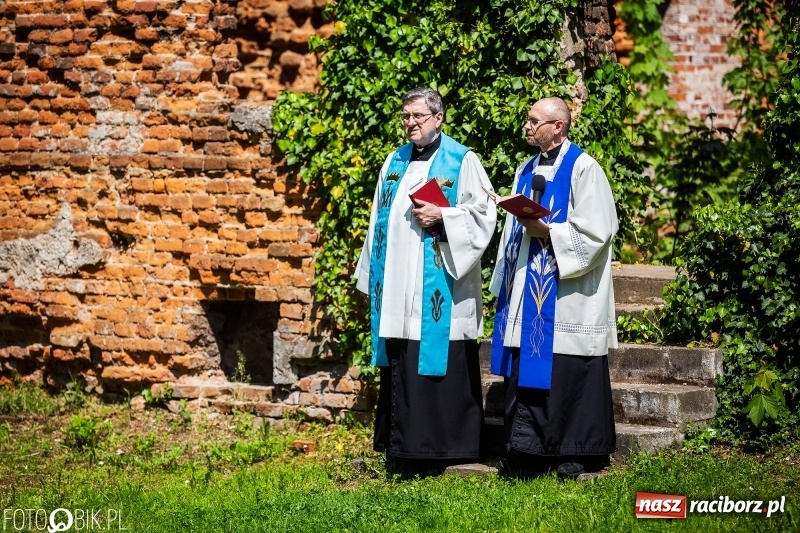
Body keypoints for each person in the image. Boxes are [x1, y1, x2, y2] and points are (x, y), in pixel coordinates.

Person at [354, 88, 497, 466]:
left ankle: (445, 448)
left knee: (437, 358)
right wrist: (371, 275)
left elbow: (485, 215)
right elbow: (376, 221)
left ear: (438, 118)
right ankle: (401, 448)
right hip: (399, 286)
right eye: (406, 116)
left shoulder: (463, 160)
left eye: (418, 116)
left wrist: (444, 217)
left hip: (440, 283)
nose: (411, 123)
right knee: (402, 355)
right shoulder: (394, 161)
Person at [489, 96, 618, 478]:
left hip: (567, 295)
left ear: (558, 126)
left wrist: (549, 232)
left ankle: (573, 451)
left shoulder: (584, 168)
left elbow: (598, 230)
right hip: (527, 285)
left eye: (534, 121)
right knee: (527, 372)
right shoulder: (526, 169)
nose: (527, 127)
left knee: (568, 370)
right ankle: (526, 452)